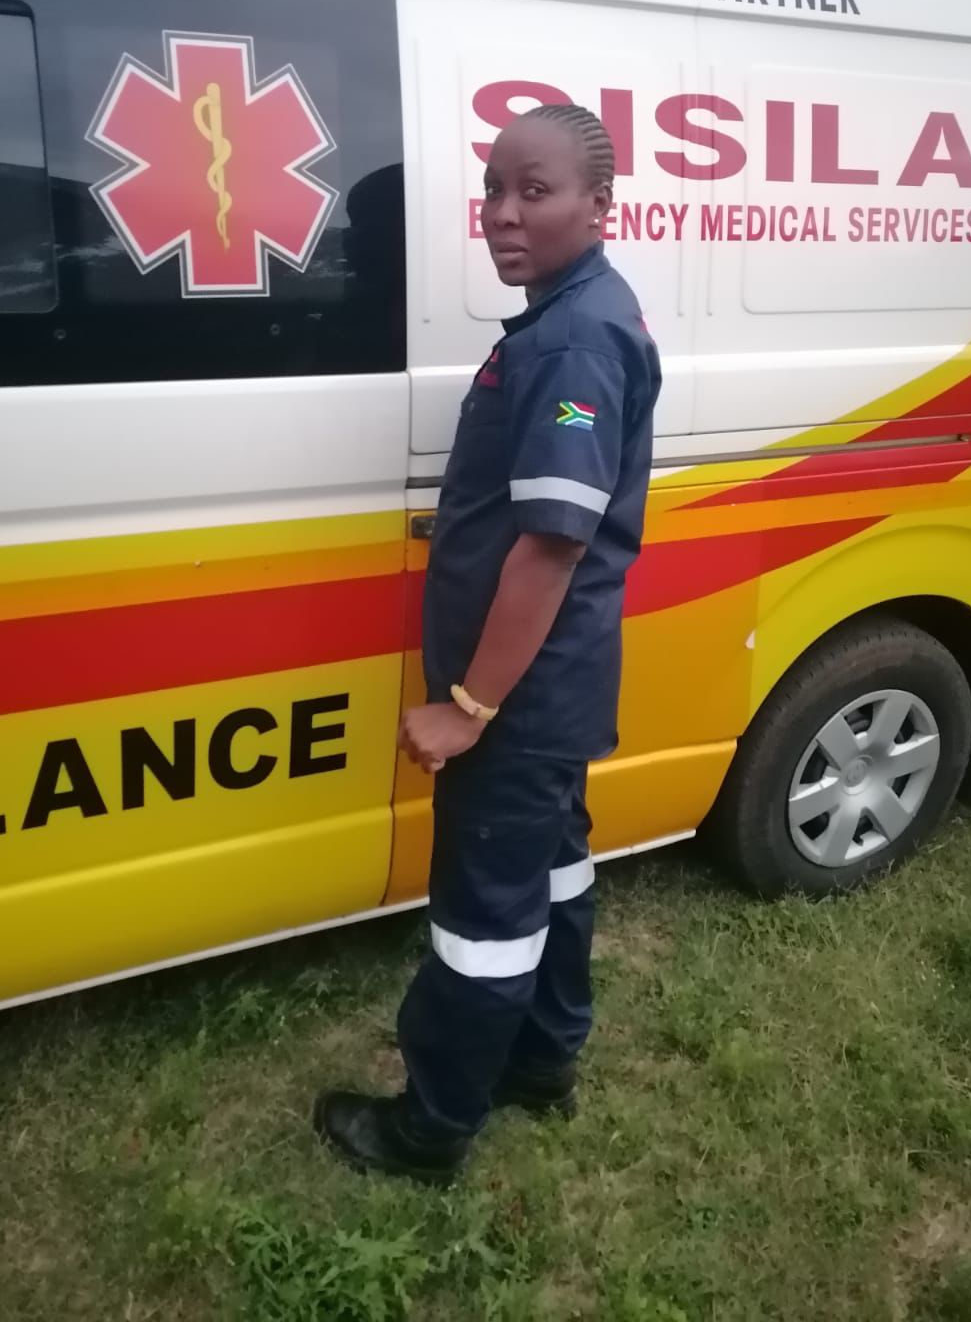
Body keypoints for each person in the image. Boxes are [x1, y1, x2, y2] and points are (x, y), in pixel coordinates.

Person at [314, 104, 662, 1184]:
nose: (504, 214)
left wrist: (466, 708)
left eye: (535, 190)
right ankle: (543, 1061)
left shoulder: (572, 340)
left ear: (600, 205)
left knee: (484, 917)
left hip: (513, 705)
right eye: (494, 189)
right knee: (551, 872)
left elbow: (550, 549)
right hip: (548, 694)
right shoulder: (570, 314)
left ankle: (432, 1126)